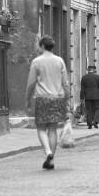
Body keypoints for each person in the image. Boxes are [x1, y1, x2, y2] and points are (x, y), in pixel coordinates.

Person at [26, 35, 70, 170]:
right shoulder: (60, 61)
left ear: (42, 46)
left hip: (42, 98)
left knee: (40, 128)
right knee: (52, 129)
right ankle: (51, 160)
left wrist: (28, 99)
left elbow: (31, 83)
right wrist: (67, 99)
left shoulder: (37, 61)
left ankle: (48, 152)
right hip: (57, 98)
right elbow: (65, 83)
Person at [80, 64, 99, 129]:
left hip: (87, 96)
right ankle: (95, 121)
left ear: (88, 70)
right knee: (97, 109)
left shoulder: (84, 77)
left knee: (89, 110)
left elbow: (82, 89)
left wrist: (81, 97)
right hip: (96, 96)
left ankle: (90, 124)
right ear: (94, 70)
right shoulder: (97, 77)